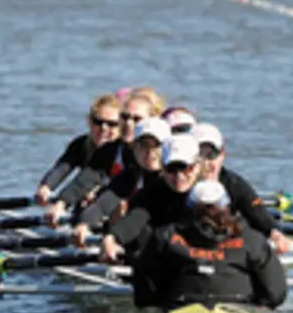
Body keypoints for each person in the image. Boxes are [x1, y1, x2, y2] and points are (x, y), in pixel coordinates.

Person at [130, 180, 288, 310]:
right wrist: (261, 304)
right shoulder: (252, 240)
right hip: (239, 307)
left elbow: (143, 286)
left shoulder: (165, 236)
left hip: (181, 305)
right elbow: (276, 293)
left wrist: (154, 304)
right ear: (227, 207)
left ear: (189, 207)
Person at [44, 89, 164, 225]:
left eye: (136, 119)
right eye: (124, 117)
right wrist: (61, 204)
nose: (128, 123)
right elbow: (85, 181)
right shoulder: (110, 150)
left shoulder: (165, 156)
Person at [100, 133, 203, 263]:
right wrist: (111, 238)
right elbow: (137, 217)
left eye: (186, 168)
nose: (179, 176)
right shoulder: (155, 190)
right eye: (171, 168)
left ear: (198, 166)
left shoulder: (214, 193)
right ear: (163, 167)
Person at [192, 123, 293, 254]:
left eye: (212, 155)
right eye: (200, 155)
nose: (206, 163)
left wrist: (276, 234)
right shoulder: (180, 182)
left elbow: (258, 214)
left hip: (224, 248)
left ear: (222, 155)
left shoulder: (234, 184)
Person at [70, 117, 171, 247]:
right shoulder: (131, 174)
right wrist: (84, 225)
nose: (150, 153)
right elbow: (101, 206)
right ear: (134, 148)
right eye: (144, 145)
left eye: (157, 146)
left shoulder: (174, 179)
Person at [35, 93, 121, 206]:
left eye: (112, 124)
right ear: (89, 122)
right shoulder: (81, 144)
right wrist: (46, 187)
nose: (104, 128)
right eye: (98, 122)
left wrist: (99, 191)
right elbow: (63, 167)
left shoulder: (125, 150)